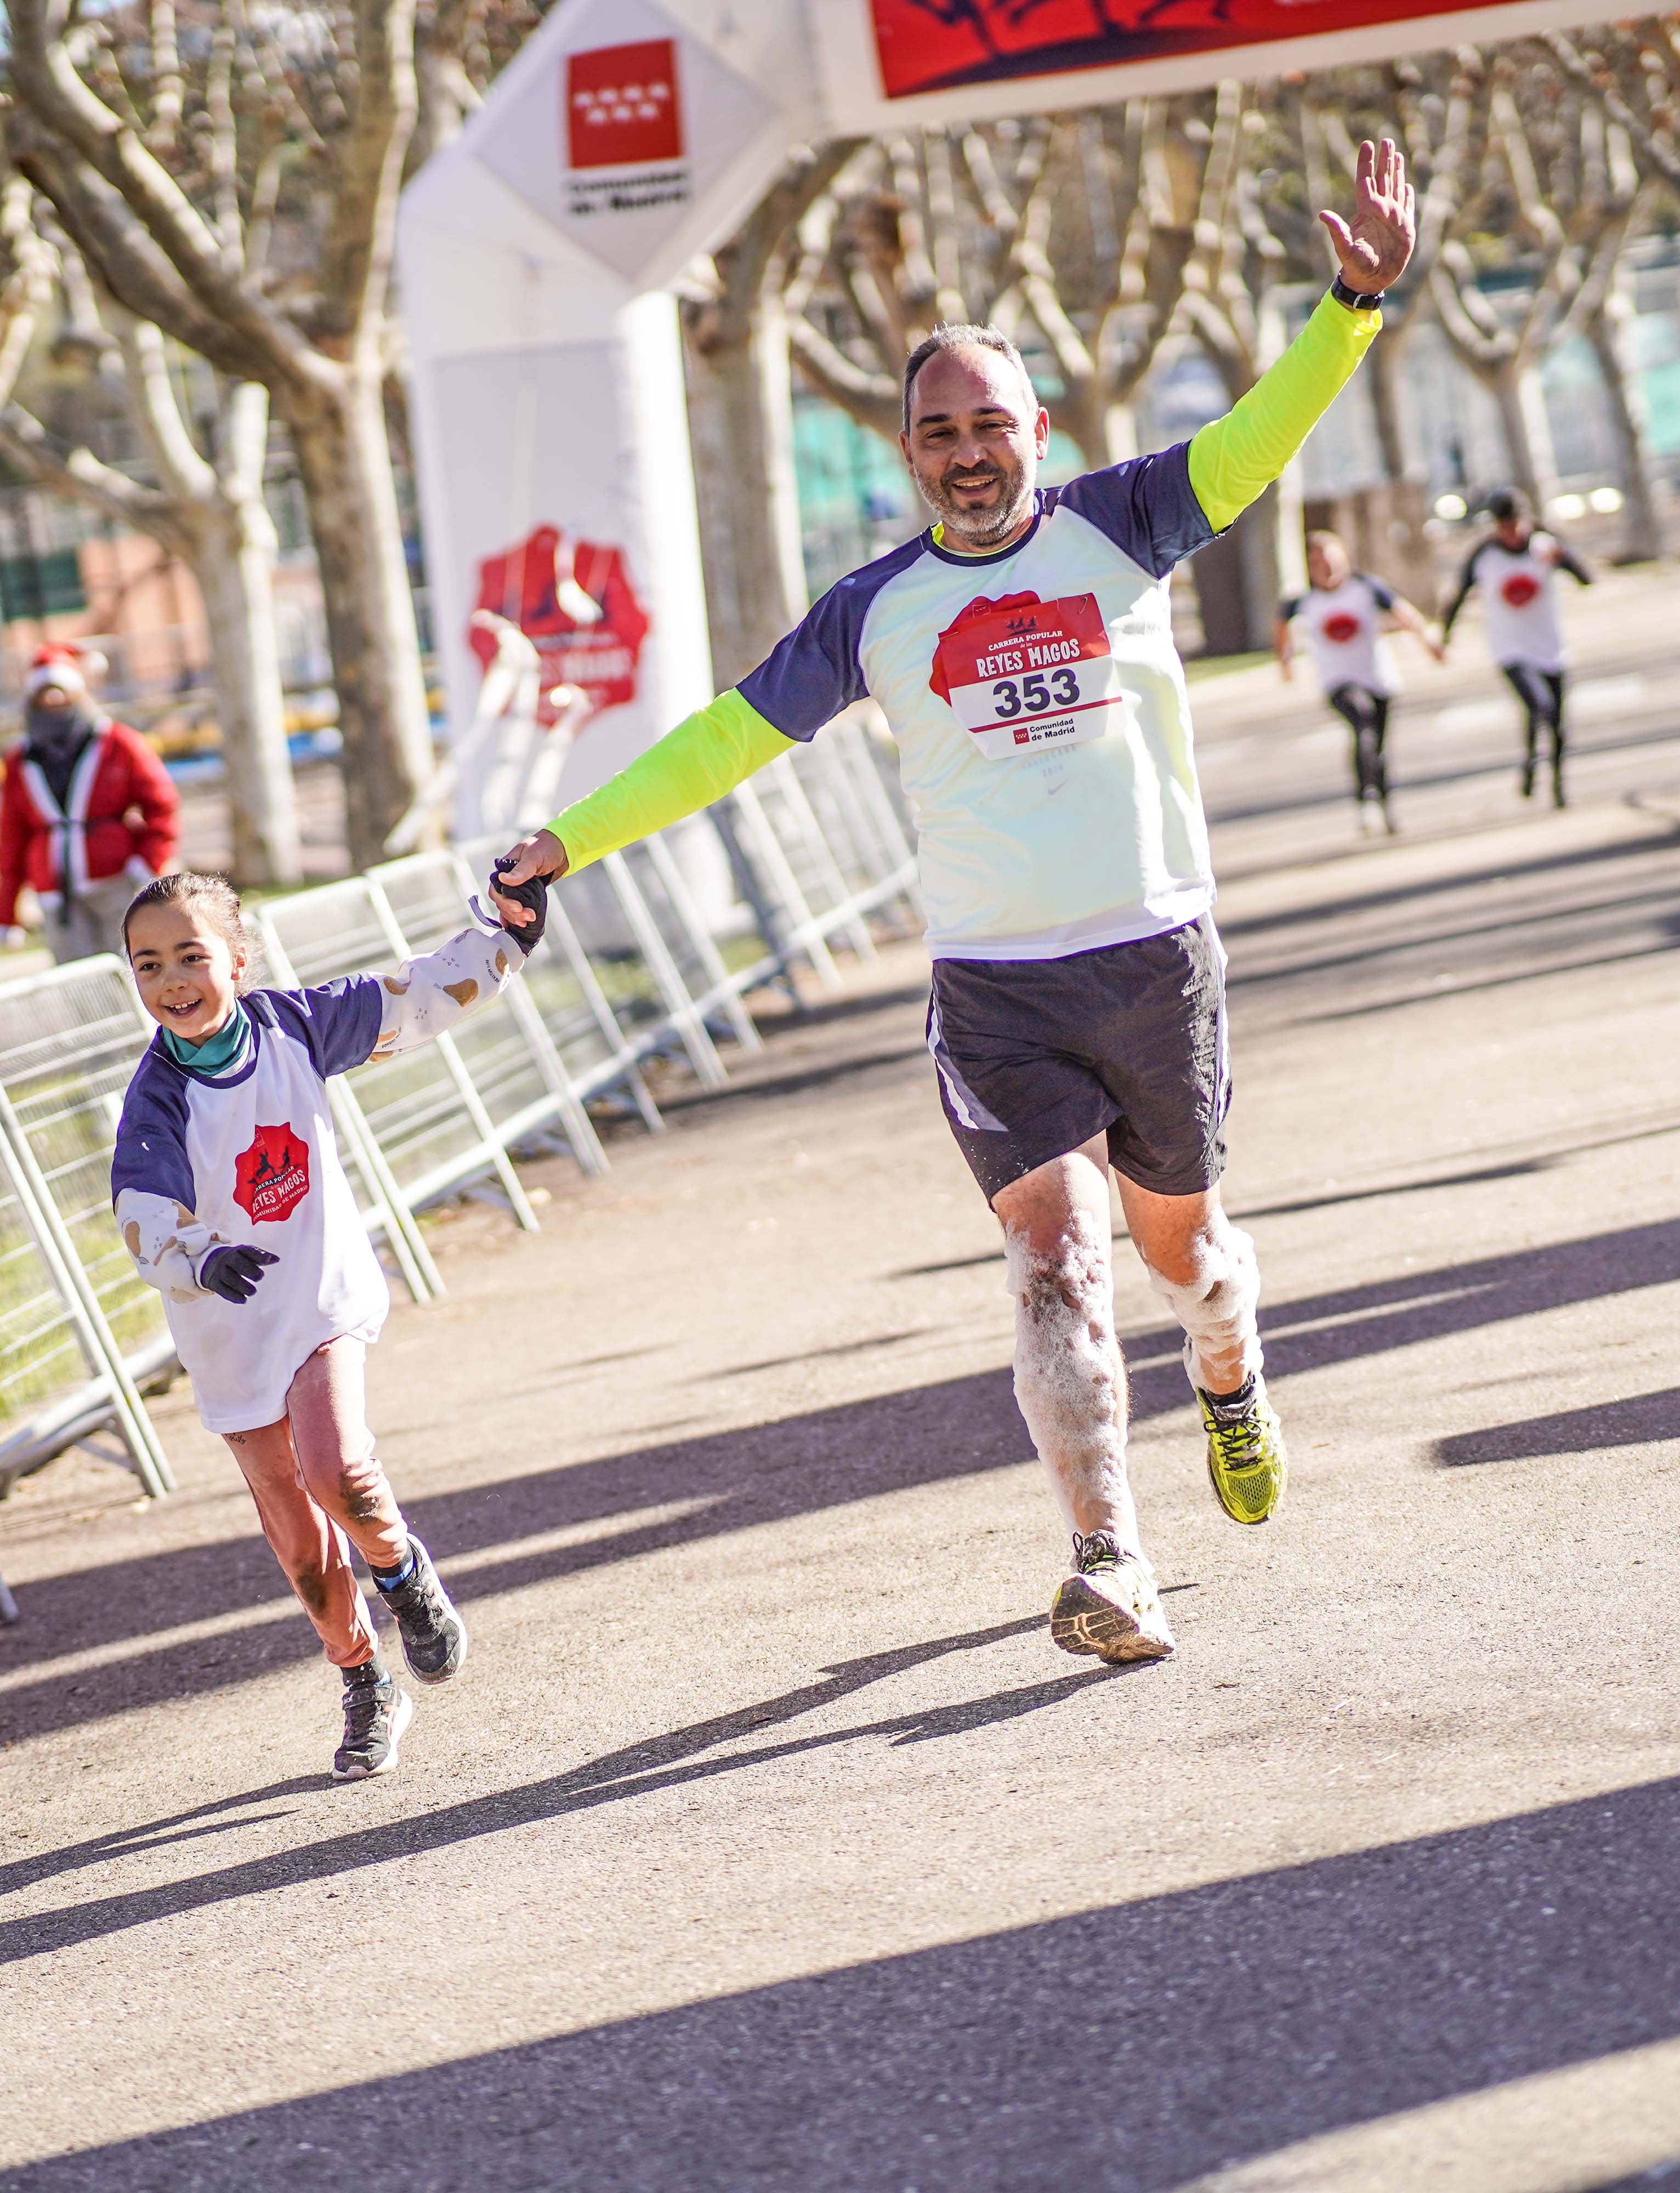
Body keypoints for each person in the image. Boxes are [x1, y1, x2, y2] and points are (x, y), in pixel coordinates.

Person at [497, 139, 1422, 1667]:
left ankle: (1227, 1359)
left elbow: (1258, 442)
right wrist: (566, 841)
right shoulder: (874, 613)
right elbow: (727, 737)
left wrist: (1353, 306)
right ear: (909, 452)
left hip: (1153, 962)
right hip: (998, 990)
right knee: (1056, 1259)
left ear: (1036, 432)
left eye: (991, 422)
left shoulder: (1126, 519)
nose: (967, 450)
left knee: (1181, 1250)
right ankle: (1110, 1556)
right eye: (940, 431)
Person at [109, 863, 548, 1778]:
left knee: (337, 1469)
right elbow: (143, 1212)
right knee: (296, 1531)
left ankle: (403, 1574)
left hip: (318, 1297)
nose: (173, 981)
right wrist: (197, 1259)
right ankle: (364, 1683)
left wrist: (507, 943)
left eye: (191, 956)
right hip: (228, 1326)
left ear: (237, 959)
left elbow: (415, 997)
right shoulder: (157, 1098)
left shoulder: (294, 1029)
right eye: (150, 967)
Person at [0, 643, 181, 962]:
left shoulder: (118, 743)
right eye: (45, 693)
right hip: (56, 890)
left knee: (133, 964)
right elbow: (11, 837)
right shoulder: (19, 760)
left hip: (116, 878)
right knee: (79, 981)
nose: (53, 701)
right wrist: (5, 911)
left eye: (60, 691)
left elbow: (162, 805)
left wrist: (148, 861)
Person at [1275, 529, 1445, 836]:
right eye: (1318, 564)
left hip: (1378, 678)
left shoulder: (1365, 587)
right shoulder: (1305, 601)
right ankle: (1366, 800)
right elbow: (1282, 622)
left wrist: (1427, 640)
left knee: (1377, 746)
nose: (1327, 570)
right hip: (1337, 682)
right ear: (1310, 568)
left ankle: (1384, 804)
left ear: (1344, 560)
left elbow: (1402, 611)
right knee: (1361, 721)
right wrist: (1285, 661)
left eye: (1332, 562)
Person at [1439, 491, 1593, 807]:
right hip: (1509, 648)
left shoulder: (1545, 544)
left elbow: (1586, 578)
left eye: (1516, 525)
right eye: (1505, 527)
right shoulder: (1484, 555)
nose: (1512, 533)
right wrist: (1445, 636)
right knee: (1538, 705)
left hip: (1551, 645)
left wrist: (1562, 559)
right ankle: (1531, 763)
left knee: (1558, 722)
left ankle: (1558, 783)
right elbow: (1458, 595)